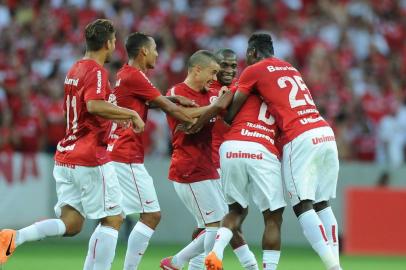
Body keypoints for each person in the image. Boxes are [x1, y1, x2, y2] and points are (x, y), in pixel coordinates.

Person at [0, 19, 145, 269]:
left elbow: (86, 111)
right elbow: (93, 105)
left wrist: (112, 119)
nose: (114, 48)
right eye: (113, 43)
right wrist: (129, 114)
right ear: (108, 43)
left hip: (66, 155)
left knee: (72, 224)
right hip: (90, 157)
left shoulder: (74, 69)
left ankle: (16, 236)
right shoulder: (97, 71)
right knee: (113, 219)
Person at [223, 33, 341, 270]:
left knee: (302, 205)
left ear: (254, 52)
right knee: (322, 203)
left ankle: (333, 268)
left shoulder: (254, 70)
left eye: (247, 54)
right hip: (324, 131)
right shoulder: (290, 68)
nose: (246, 60)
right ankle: (336, 263)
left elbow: (230, 113)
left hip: (299, 137)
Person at [82, 32, 197, 270]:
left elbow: (152, 101)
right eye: (154, 49)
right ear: (143, 51)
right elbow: (165, 107)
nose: (157, 53)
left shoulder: (125, 74)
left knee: (111, 220)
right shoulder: (136, 76)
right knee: (151, 214)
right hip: (126, 156)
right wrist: (204, 113)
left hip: (113, 153)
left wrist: (174, 98)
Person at [188, 48, 259, 270]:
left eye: (232, 66)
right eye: (223, 66)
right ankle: (251, 266)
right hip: (211, 165)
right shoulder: (208, 89)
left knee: (216, 226)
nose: (228, 70)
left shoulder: (240, 89)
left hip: (231, 163)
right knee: (227, 222)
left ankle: (185, 263)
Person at [159, 50, 229, 270]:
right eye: (212, 72)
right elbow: (186, 118)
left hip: (207, 167)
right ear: (197, 69)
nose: (214, 78)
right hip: (188, 169)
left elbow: (209, 118)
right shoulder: (176, 91)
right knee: (215, 226)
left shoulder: (209, 94)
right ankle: (182, 262)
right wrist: (216, 106)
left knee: (219, 224)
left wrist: (215, 105)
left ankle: (179, 262)